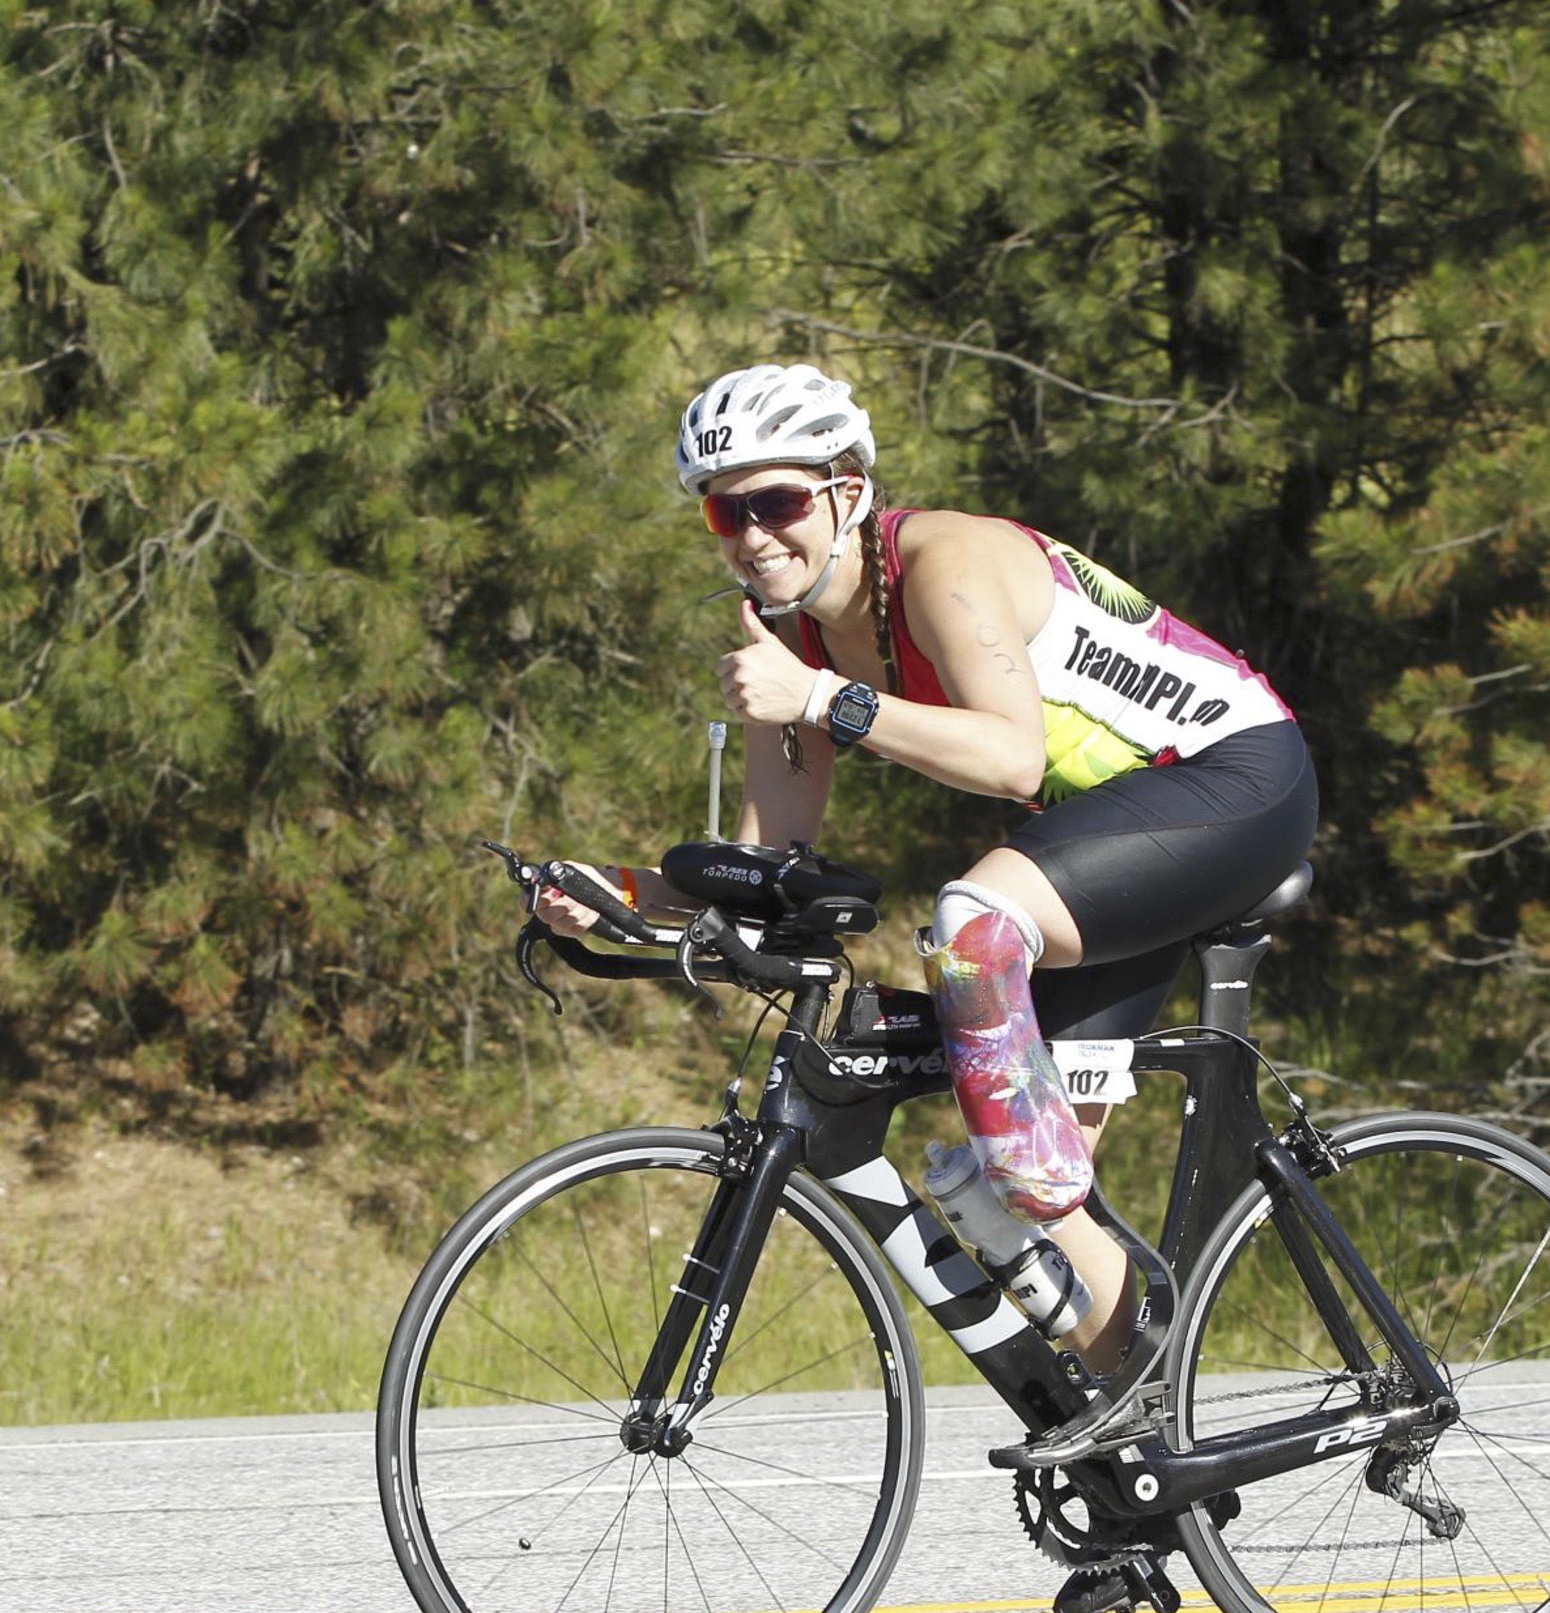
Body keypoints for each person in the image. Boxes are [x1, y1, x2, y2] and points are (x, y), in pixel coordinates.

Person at [542, 361, 1316, 1535]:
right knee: (1046, 1231)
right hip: (1099, 833)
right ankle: (1154, 1472)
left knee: (970, 927)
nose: (751, 536)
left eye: (778, 503)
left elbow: (1008, 758)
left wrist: (818, 702)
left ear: (846, 494)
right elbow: (767, 864)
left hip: (1233, 782)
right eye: (722, 510)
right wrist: (623, 895)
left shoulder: (942, 564)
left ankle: (1029, 1205)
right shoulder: (785, 632)